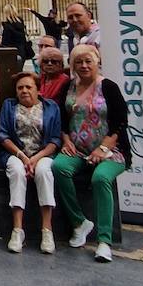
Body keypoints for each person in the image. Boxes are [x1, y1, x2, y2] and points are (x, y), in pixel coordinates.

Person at [52, 44, 130, 263]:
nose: (84, 66)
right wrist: (66, 139)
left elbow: (120, 121)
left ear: (97, 62)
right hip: (77, 149)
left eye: (88, 61)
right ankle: (79, 222)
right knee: (58, 168)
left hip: (111, 150)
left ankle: (104, 241)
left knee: (101, 177)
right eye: (79, 62)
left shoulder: (109, 87)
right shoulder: (68, 86)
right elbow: (62, 118)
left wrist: (103, 148)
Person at [0, 70, 61, 254]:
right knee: (17, 172)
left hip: (42, 155)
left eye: (28, 87)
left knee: (44, 172)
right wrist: (22, 157)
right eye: (20, 88)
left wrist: (35, 158)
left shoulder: (51, 107)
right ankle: (18, 230)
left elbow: (55, 140)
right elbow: (2, 135)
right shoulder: (9, 106)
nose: (24, 91)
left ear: (37, 89)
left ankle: (47, 230)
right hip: (16, 154)